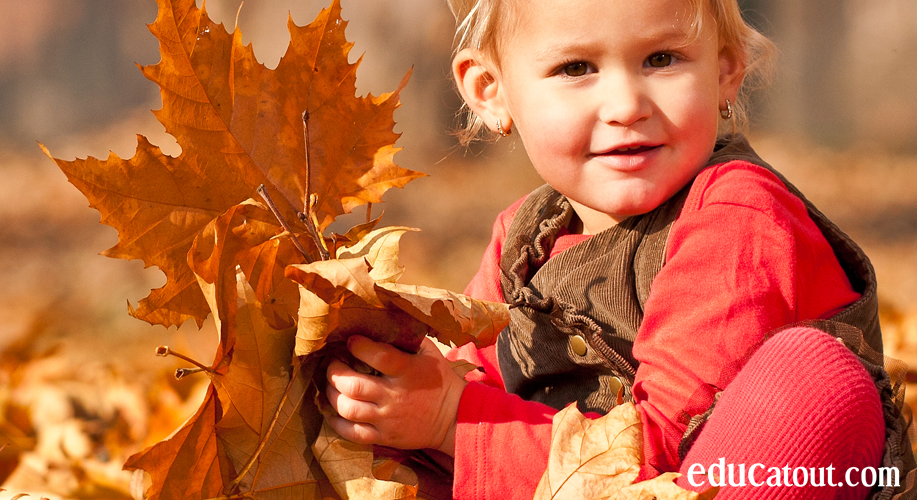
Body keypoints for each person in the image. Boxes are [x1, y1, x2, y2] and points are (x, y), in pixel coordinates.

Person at [324, 0, 916, 498]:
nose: (627, 105)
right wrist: (396, 395)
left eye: (662, 59)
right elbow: (473, 390)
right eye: (577, 67)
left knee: (812, 379)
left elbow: (660, 458)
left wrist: (449, 418)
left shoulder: (738, 216)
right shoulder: (523, 240)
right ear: (491, 91)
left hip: (725, 477)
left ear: (724, 71)